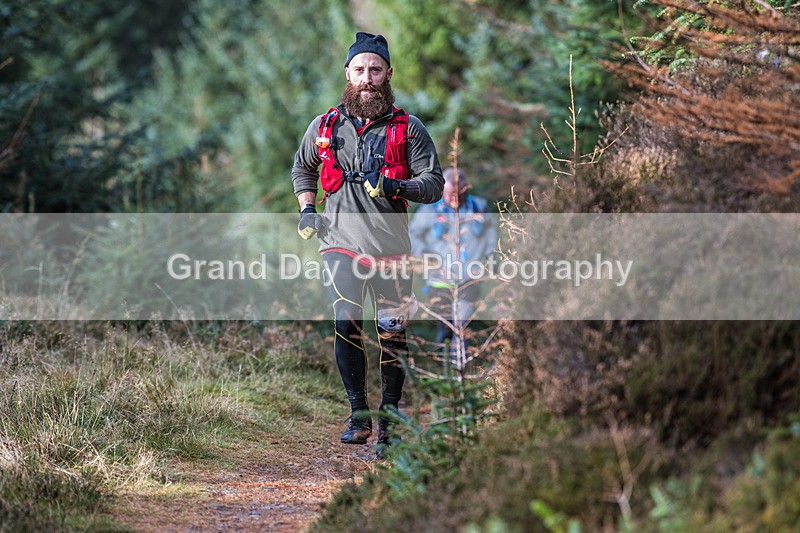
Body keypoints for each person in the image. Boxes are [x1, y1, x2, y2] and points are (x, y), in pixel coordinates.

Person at [291, 32, 444, 455]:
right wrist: (307, 209)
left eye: (375, 70)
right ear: (347, 74)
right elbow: (302, 170)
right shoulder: (324, 126)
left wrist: (397, 185)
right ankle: (358, 414)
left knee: (393, 334)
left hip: (393, 249)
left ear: (388, 74)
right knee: (346, 323)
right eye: (359, 70)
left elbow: (434, 184)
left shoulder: (408, 128)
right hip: (340, 243)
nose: (367, 78)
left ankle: (390, 416)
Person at [409, 167, 497, 364]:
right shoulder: (429, 210)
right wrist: (424, 254)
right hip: (439, 279)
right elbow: (413, 233)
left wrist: (491, 256)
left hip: (469, 277)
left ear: (466, 189)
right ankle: (442, 368)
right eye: (449, 194)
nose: (455, 199)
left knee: (461, 324)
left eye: (460, 193)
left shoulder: (479, 207)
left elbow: (492, 236)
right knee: (446, 325)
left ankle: (461, 368)